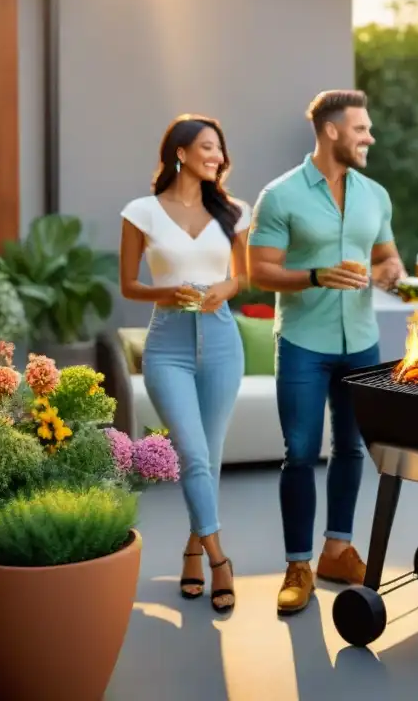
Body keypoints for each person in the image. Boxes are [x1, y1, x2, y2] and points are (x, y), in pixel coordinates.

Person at [248, 89, 406, 616]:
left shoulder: (375, 195)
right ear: (332, 130)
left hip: (361, 341)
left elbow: (387, 258)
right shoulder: (280, 196)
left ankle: (337, 550)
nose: (369, 138)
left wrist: (393, 278)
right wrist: (315, 275)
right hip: (302, 344)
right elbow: (258, 271)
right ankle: (297, 564)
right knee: (299, 451)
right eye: (362, 129)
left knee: (353, 448)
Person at [119, 115, 250, 614]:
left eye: (220, 149)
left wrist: (224, 289)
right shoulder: (141, 212)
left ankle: (193, 550)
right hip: (167, 343)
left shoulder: (234, 211)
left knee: (209, 459)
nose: (216, 156)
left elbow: (243, 278)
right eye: (206, 147)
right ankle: (221, 560)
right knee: (192, 454)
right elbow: (129, 285)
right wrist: (165, 292)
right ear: (179, 152)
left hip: (221, 341)